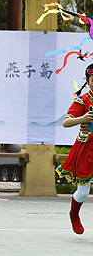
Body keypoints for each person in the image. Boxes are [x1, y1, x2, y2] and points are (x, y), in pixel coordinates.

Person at [56, 63, 93, 234]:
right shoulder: (82, 101)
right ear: (87, 80)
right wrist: (83, 118)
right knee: (83, 191)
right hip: (87, 149)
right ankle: (74, 214)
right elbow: (65, 122)